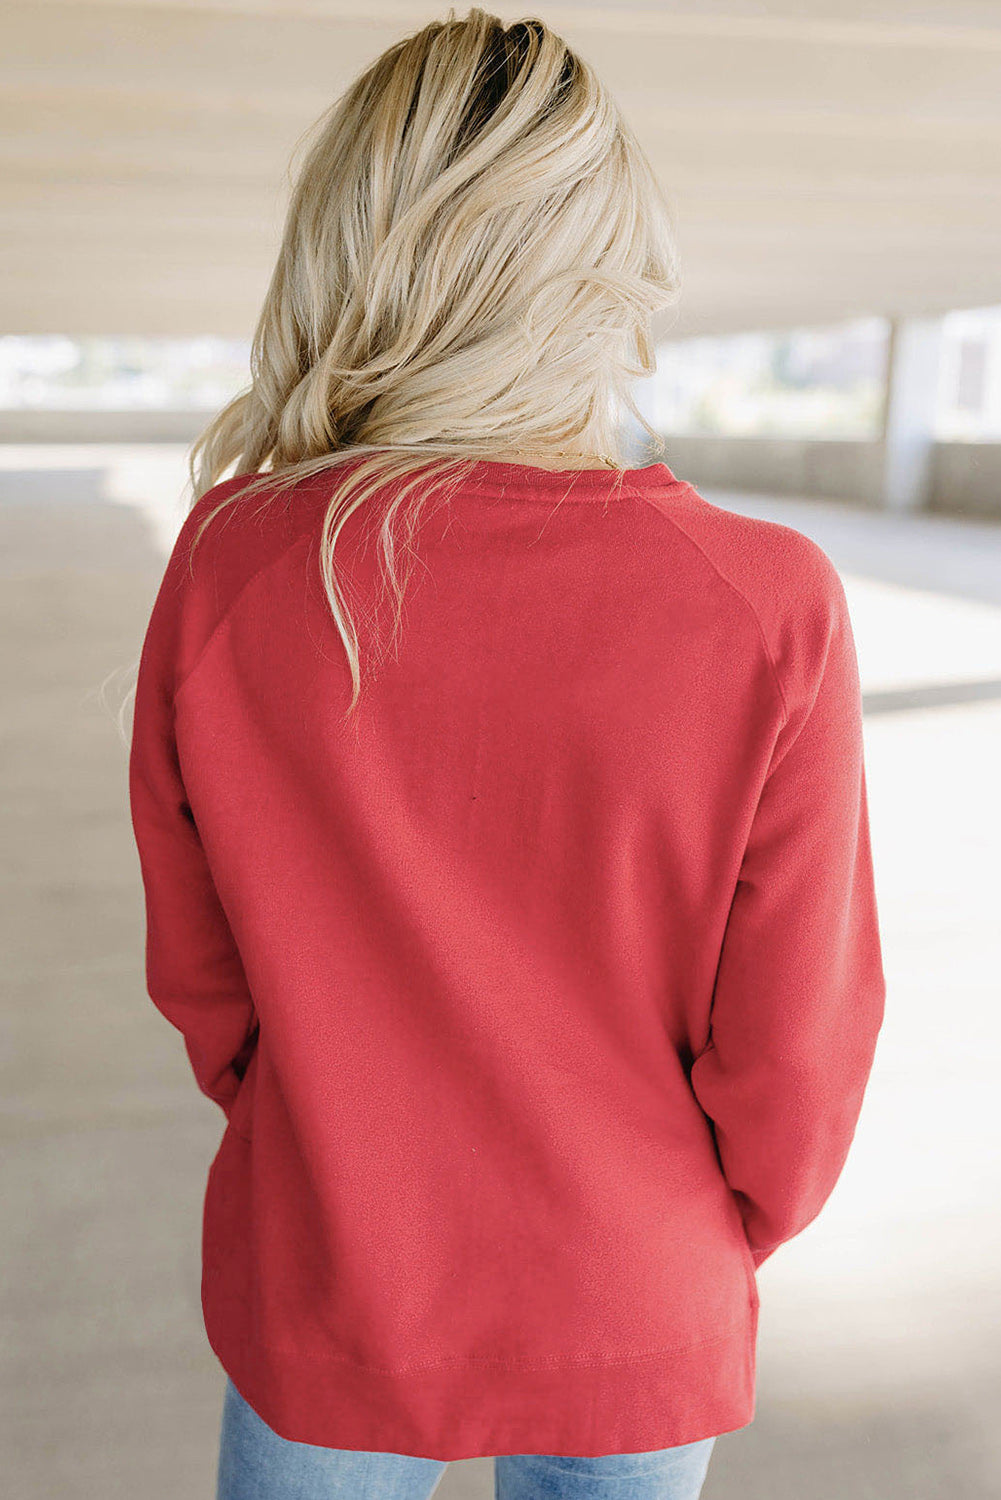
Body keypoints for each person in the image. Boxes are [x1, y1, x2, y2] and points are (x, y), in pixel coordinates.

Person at [127, 9, 886, 1498]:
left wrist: (326, 1128)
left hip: (336, 1266)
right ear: (600, 259)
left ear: (353, 239)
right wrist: (717, 1224)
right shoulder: (762, 601)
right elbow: (799, 1034)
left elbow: (200, 967)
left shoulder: (234, 566)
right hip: (633, 1280)